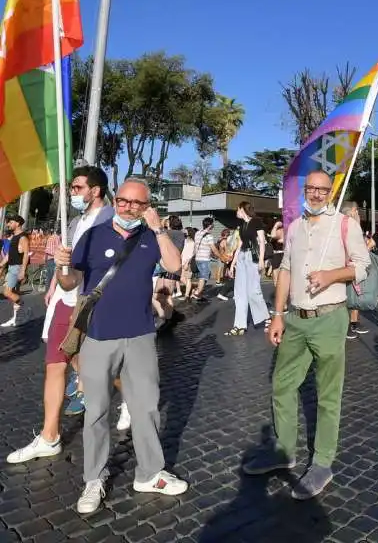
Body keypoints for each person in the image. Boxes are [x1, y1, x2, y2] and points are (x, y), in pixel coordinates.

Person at [54, 177, 188, 515]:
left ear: (147, 207)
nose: (129, 208)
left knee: (146, 408)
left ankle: (150, 473)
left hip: (141, 334)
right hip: (98, 336)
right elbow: (70, 281)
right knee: (96, 412)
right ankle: (94, 479)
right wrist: (60, 264)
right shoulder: (93, 235)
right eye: (124, 201)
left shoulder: (149, 237)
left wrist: (158, 230)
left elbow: (174, 266)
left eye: (137, 204)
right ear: (115, 200)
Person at [242, 170, 370, 500]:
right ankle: (284, 452)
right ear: (305, 190)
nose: (315, 194)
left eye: (322, 190)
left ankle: (323, 462)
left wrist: (332, 275)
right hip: (295, 319)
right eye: (310, 188)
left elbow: (362, 265)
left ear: (331, 192)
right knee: (282, 384)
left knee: (328, 395)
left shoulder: (344, 224)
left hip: (329, 318)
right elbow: (285, 270)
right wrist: (278, 315)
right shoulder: (295, 226)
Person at [6, 167, 116, 464]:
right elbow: (67, 262)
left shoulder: (112, 221)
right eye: (72, 188)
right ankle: (49, 435)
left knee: (103, 366)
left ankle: (131, 397)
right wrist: (55, 284)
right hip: (66, 300)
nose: (73, 193)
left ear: (96, 190)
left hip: (94, 304)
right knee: (56, 365)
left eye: (78, 188)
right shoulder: (76, 221)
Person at [226, 202, 270, 335]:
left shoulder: (256, 221)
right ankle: (239, 325)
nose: (236, 212)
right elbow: (239, 244)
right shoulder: (241, 225)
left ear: (242, 209)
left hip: (252, 256)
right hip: (242, 257)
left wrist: (262, 260)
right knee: (239, 293)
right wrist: (233, 263)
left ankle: (266, 318)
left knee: (253, 290)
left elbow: (262, 241)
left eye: (237, 209)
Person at [342, 201, 370, 339]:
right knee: (345, 296)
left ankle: (354, 321)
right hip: (345, 267)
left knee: (354, 296)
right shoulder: (343, 225)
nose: (359, 214)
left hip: (355, 267)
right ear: (353, 211)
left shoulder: (355, 227)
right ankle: (345, 324)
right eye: (357, 211)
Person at [0, 214, 31, 327]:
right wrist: (1, 264)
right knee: (15, 293)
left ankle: (25, 307)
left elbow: (26, 255)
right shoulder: (14, 237)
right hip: (12, 266)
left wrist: (23, 271)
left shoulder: (22, 237)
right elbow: (9, 254)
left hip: (17, 267)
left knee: (6, 292)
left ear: (17, 223)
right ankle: (15, 318)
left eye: (10, 222)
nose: (8, 224)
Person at [193, 217, 221, 302]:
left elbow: (195, 246)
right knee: (204, 276)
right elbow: (214, 249)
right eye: (213, 224)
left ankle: (199, 295)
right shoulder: (209, 236)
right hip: (204, 259)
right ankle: (196, 293)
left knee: (206, 276)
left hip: (197, 258)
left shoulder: (197, 233)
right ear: (210, 225)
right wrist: (221, 257)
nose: (213, 225)